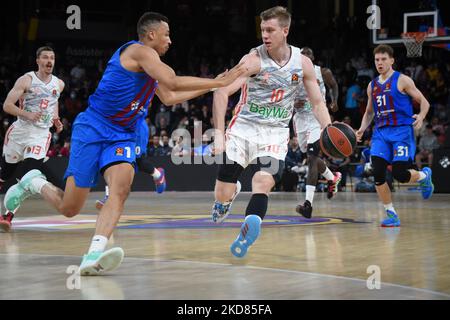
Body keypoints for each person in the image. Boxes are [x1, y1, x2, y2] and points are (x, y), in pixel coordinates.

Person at [3, 12, 245, 274]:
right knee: (69, 208)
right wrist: (220, 81)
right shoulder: (138, 51)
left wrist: (213, 87)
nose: (170, 41)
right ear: (151, 34)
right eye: (167, 34)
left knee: (121, 188)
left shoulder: (151, 67)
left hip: (122, 134)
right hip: (92, 129)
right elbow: (173, 81)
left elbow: (169, 96)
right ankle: (32, 182)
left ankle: (93, 254)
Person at [211, 6, 331, 258]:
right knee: (222, 190)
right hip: (243, 128)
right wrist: (219, 134)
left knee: (263, 182)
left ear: (285, 31)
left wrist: (327, 128)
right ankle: (227, 198)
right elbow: (222, 91)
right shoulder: (252, 60)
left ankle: (250, 226)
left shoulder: (303, 63)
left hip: (275, 132)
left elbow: (318, 103)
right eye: (262, 29)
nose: (264, 34)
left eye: (270, 30)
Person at [356, 44, 433, 228]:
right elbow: (369, 113)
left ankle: (423, 176)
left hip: (401, 132)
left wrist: (421, 116)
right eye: (377, 60)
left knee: (399, 173)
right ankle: (391, 213)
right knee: (378, 174)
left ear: (392, 60)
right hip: (381, 134)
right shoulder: (371, 85)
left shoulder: (403, 80)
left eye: (383, 59)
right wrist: (361, 129)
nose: (380, 63)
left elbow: (425, 102)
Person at [0, 46, 64, 232]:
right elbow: (7, 105)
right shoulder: (27, 80)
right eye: (45, 57)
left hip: (40, 134)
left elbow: (54, 101)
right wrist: (26, 114)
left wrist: (56, 118)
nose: (49, 61)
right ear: (37, 60)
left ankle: (8, 215)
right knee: (5, 174)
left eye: (52, 57)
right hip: (20, 132)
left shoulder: (58, 84)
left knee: (28, 175)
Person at [292, 47, 342, 219]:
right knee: (312, 158)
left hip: (317, 118)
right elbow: (287, 96)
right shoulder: (293, 75)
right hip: (300, 120)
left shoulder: (323, 72)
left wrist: (334, 101)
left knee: (312, 159)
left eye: (308, 56)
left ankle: (308, 205)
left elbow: (334, 86)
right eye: (302, 56)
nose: (305, 58)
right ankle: (332, 177)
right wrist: (293, 103)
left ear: (312, 58)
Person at [95, 117, 167, 210]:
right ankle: (109, 197)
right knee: (112, 162)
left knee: (138, 161)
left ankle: (158, 175)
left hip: (137, 128)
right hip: (120, 127)